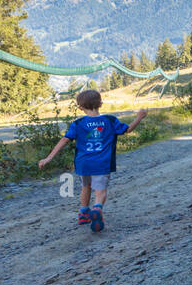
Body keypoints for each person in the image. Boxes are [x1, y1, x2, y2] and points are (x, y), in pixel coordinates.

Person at [39, 88, 148, 232]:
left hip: (84, 163)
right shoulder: (109, 120)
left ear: (80, 107)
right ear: (101, 104)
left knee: (86, 187)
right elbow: (127, 130)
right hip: (101, 163)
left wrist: (49, 158)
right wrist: (139, 117)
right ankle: (97, 209)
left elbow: (65, 140)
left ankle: (84, 213)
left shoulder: (78, 123)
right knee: (100, 190)